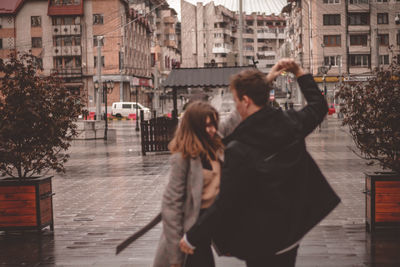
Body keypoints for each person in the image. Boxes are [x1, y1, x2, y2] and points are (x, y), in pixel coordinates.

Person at [179, 59, 341, 267]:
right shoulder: (291, 123)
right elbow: (319, 107)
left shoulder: (240, 148)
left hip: (262, 240)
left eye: (236, 100)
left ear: (245, 101)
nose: (236, 105)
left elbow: (226, 202)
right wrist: (299, 72)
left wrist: (192, 236)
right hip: (292, 231)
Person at [153, 101, 240, 267]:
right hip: (191, 231)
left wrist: (265, 81)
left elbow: (233, 120)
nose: (213, 129)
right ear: (194, 128)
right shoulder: (183, 158)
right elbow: (171, 205)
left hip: (209, 226)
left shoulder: (213, 142)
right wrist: (175, 257)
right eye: (207, 125)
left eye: (214, 124)